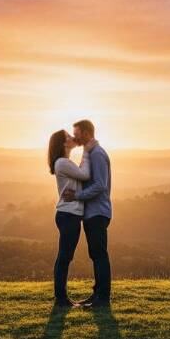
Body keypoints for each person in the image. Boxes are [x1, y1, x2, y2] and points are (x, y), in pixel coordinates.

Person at [61, 119, 112, 308]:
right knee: (96, 254)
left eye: (77, 133)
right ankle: (97, 295)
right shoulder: (90, 153)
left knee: (99, 254)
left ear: (87, 133)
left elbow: (99, 185)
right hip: (92, 212)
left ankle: (103, 298)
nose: (75, 137)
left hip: (97, 211)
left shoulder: (97, 154)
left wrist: (77, 196)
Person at [47, 129, 92, 307]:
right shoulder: (63, 163)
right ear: (63, 143)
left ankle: (61, 297)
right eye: (68, 137)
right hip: (69, 215)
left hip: (68, 214)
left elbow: (80, 177)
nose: (72, 138)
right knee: (65, 257)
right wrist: (87, 153)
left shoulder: (64, 162)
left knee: (64, 256)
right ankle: (61, 299)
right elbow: (85, 175)